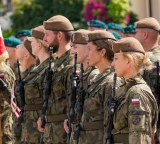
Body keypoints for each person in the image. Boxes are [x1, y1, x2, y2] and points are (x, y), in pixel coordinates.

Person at [110, 37, 158, 143]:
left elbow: (139, 137)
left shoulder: (137, 93)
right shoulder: (126, 89)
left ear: (128, 61)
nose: (113, 64)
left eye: (116, 58)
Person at [37, 15, 74, 143]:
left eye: (47, 35)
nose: (44, 39)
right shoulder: (54, 63)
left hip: (62, 135)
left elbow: (73, 100)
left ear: (59, 35)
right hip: (50, 132)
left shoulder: (72, 64)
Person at [75, 30, 117, 143]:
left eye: (89, 49)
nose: (87, 54)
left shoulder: (110, 82)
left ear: (102, 52)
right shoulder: (98, 79)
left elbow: (110, 124)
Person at [65, 29, 100, 143]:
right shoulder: (81, 74)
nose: (71, 52)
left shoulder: (94, 76)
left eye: (75, 47)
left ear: (87, 48)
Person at [20, 25, 50, 143]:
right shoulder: (36, 69)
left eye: (32, 41)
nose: (30, 44)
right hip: (30, 127)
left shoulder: (49, 68)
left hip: (40, 128)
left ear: (39, 45)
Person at [134, 17, 160, 93]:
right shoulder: (153, 56)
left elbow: (152, 94)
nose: (134, 36)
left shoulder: (153, 60)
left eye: (136, 32)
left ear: (145, 34)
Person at [13, 38, 37, 143]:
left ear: (27, 55)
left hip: (33, 132)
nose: (17, 46)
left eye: (22, 45)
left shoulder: (34, 76)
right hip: (22, 131)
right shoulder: (22, 76)